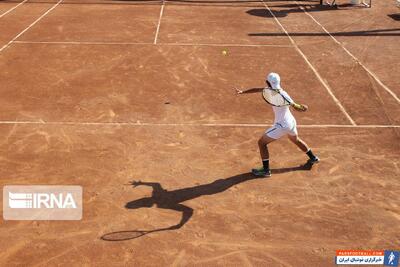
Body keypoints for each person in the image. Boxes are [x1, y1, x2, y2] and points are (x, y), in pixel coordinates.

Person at [236, 72, 319, 177]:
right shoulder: (281, 93)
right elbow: (258, 89)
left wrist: (301, 108)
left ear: (267, 82)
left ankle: (266, 170)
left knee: (262, 143)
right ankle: (313, 157)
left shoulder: (273, 92)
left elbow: (296, 107)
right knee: (295, 140)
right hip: (291, 122)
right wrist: (243, 92)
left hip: (281, 125)